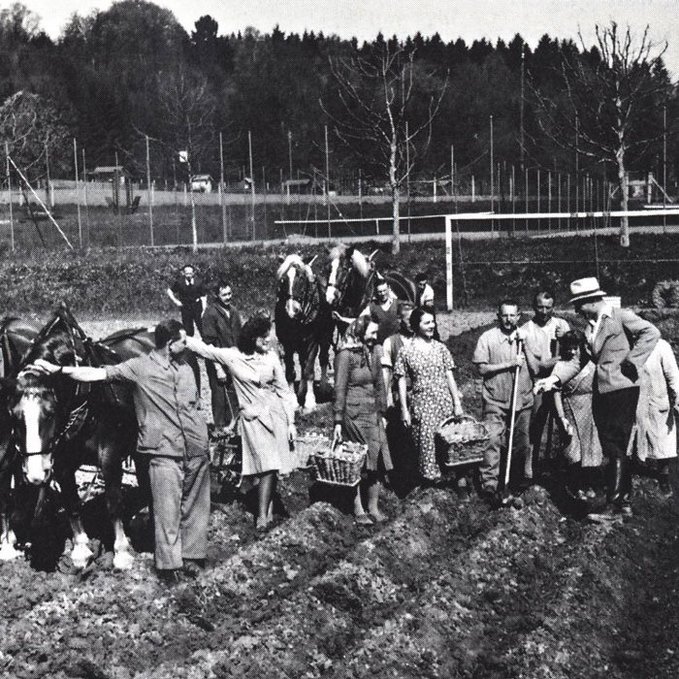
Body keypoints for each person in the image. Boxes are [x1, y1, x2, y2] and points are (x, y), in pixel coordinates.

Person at [35, 320, 210, 584]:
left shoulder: (185, 367)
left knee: (196, 502)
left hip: (195, 445)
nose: (189, 345)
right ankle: (170, 567)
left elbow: (194, 404)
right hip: (163, 447)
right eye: (184, 341)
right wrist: (58, 369)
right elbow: (96, 374)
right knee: (167, 506)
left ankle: (194, 556)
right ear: (168, 344)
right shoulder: (139, 367)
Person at [537, 277, 660, 520]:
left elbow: (651, 332)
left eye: (578, 304)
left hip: (622, 390)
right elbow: (578, 361)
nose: (576, 310)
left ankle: (614, 506)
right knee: (613, 447)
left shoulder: (620, 316)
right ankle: (623, 502)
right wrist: (554, 380)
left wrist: (632, 361)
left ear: (591, 301)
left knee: (614, 445)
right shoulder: (589, 328)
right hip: (602, 392)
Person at [185, 315, 297, 531]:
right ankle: (262, 515)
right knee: (266, 465)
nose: (268, 340)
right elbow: (205, 350)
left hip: (276, 416)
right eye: (263, 337)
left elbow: (284, 390)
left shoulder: (271, 358)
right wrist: (181, 337)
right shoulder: (233, 356)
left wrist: (291, 422)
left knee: (272, 467)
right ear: (252, 338)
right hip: (253, 419)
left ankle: (267, 510)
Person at [472, 300, 539, 506]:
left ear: (519, 316)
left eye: (513, 315)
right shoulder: (488, 338)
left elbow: (537, 368)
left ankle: (514, 484)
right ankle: (489, 484)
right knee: (492, 440)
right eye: (505, 315)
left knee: (521, 444)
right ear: (498, 316)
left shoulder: (527, 337)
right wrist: (509, 364)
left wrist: (526, 344)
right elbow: (481, 369)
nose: (509, 320)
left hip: (523, 399)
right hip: (495, 399)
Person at [394, 308, 464, 486]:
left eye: (433, 322)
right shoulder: (406, 352)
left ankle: (455, 483)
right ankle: (430, 485)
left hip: (443, 401)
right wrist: (404, 409)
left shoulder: (441, 348)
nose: (432, 325)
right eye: (427, 322)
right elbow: (401, 381)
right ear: (416, 325)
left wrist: (456, 403)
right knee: (425, 443)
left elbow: (450, 376)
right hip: (422, 403)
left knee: (449, 441)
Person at [334, 316, 392, 524]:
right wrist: (338, 420)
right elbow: (339, 388)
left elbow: (380, 385)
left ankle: (373, 507)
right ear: (360, 332)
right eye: (371, 333)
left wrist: (382, 412)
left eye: (376, 334)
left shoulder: (375, 352)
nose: (374, 337)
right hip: (354, 413)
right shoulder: (345, 355)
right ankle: (358, 509)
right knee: (357, 460)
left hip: (372, 412)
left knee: (376, 459)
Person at [521, 291, 570, 480]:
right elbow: (537, 367)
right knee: (535, 428)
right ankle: (529, 469)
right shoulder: (527, 329)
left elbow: (573, 353)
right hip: (538, 385)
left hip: (560, 382)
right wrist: (558, 358)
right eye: (540, 307)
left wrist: (564, 338)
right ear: (534, 306)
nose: (543, 311)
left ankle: (560, 466)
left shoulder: (561, 325)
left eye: (548, 307)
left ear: (553, 307)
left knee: (563, 426)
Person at [551, 331, 602, 498]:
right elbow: (556, 392)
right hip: (569, 409)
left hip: (590, 409)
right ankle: (575, 485)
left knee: (591, 447)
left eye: (576, 348)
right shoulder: (560, 367)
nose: (572, 352)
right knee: (573, 449)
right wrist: (561, 417)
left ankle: (591, 484)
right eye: (569, 348)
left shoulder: (590, 364)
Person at [633, 338, 679, 497]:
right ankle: (635, 471)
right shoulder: (625, 345)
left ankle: (664, 479)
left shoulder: (661, 346)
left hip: (657, 398)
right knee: (636, 437)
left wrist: (677, 399)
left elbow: (673, 375)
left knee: (661, 441)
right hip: (636, 400)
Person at [381, 300, 416, 492]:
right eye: (408, 319)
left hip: (419, 395)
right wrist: (386, 401)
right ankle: (400, 479)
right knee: (400, 437)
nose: (412, 323)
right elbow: (386, 373)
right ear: (400, 320)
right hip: (399, 395)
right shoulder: (391, 342)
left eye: (415, 319)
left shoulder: (421, 340)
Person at [201, 280, 242, 432]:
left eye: (229, 294)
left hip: (233, 359)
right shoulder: (210, 313)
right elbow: (209, 343)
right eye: (224, 294)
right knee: (219, 396)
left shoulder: (234, 311)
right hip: (217, 361)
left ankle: (233, 427)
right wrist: (218, 368)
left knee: (234, 394)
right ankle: (219, 429)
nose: (228, 297)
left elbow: (240, 336)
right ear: (217, 295)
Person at [166, 264, 207, 337]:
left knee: (202, 327)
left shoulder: (199, 282)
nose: (188, 275)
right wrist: (176, 301)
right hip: (186, 308)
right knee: (188, 330)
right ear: (183, 273)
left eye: (190, 273)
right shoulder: (179, 282)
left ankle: (207, 344)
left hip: (197, 307)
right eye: (186, 273)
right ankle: (190, 346)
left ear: (193, 273)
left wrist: (203, 309)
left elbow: (203, 296)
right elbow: (169, 291)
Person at [360, 279, 400, 344]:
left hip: (396, 343)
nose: (383, 293)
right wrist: (342, 318)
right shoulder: (372, 306)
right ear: (376, 292)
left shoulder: (397, 304)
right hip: (380, 344)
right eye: (380, 291)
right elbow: (359, 320)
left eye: (384, 290)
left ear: (389, 288)